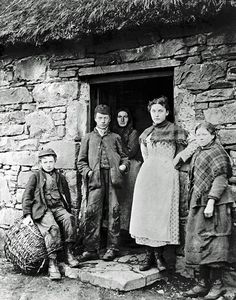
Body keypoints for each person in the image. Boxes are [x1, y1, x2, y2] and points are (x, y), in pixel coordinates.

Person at [129, 95, 188, 272]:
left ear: (167, 112)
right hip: (148, 177)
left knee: (160, 215)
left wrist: (176, 160)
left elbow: (190, 146)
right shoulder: (146, 133)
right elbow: (146, 156)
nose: (156, 114)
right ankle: (149, 256)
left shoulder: (176, 130)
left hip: (166, 176)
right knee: (146, 215)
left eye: (160, 111)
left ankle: (160, 256)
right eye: (153, 111)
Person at [176, 122, 233, 300]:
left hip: (215, 205)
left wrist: (210, 202)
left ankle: (218, 285)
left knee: (214, 243)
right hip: (198, 202)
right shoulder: (199, 151)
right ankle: (202, 283)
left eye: (203, 135)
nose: (200, 138)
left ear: (213, 135)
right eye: (198, 135)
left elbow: (221, 178)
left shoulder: (218, 152)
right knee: (198, 240)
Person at [77, 104, 129, 261]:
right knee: (92, 212)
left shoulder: (115, 138)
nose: (103, 121)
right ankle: (91, 249)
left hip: (113, 178)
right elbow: (81, 162)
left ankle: (112, 248)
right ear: (95, 119)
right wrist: (89, 172)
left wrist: (122, 166)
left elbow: (125, 157)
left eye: (106, 118)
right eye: (100, 118)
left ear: (109, 119)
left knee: (114, 212)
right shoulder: (88, 138)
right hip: (95, 179)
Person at [22, 148, 79, 281]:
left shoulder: (60, 177)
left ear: (55, 162)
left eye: (51, 161)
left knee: (69, 219)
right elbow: (27, 196)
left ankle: (68, 253)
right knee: (53, 228)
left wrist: (68, 210)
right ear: (40, 163)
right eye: (45, 162)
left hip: (58, 207)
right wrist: (27, 214)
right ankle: (52, 263)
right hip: (43, 209)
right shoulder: (35, 177)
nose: (48, 164)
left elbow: (66, 196)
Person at [113, 108, 142, 232]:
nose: (122, 119)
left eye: (125, 116)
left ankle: (129, 230)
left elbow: (131, 152)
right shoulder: (113, 132)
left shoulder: (133, 133)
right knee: (117, 199)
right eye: (119, 116)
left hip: (131, 167)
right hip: (117, 166)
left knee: (129, 198)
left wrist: (116, 149)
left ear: (129, 118)